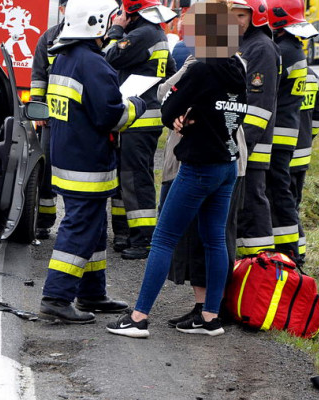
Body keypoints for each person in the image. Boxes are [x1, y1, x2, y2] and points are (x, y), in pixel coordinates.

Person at [106, 0, 247, 338]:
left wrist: (179, 116)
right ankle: (210, 317)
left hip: (198, 165)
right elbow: (231, 109)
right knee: (214, 240)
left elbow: (168, 105)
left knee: (163, 239)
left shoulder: (200, 68)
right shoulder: (237, 66)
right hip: (228, 163)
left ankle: (138, 318)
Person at [38, 0, 145, 324]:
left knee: (95, 230)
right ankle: (56, 297)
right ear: (97, 22)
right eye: (112, 18)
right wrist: (136, 106)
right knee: (80, 228)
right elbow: (110, 117)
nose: (115, 23)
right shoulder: (93, 64)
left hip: (70, 157)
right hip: (87, 164)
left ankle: (92, 293)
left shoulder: (65, 57)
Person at [104, 0, 177, 260]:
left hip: (139, 119)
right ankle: (126, 234)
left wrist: (115, 31)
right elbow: (171, 71)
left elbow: (108, 58)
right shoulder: (156, 33)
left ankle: (143, 239)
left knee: (135, 179)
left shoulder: (141, 34)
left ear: (130, 12)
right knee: (128, 178)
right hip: (142, 117)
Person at [265, 0, 318, 262]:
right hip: (295, 139)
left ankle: (290, 253)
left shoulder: (281, 51)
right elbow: (317, 115)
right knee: (286, 197)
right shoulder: (295, 50)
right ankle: (295, 251)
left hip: (278, 138)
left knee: (279, 196)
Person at [234, 0, 281, 259]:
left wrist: (241, 145)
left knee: (252, 205)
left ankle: (261, 264)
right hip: (237, 142)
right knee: (241, 209)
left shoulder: (261, 47)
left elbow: (259, 106)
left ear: (256, 17)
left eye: (241, 16)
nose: (236, 21)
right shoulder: (240, 44)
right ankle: (244, 265)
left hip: (251, 145)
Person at [29, 0, 67, 240]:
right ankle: (44, 221)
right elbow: (39, 74)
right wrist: (38, 105)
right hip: (51, 119)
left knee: (77, 175)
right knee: (47, 172)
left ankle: (74, 223)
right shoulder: (50, 37)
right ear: (62, 9)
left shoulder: (94, 37)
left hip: (77, 119)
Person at [290, 67, 319, 265]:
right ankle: (299, 251)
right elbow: (318, 116)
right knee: (294, 205)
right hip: (302, 153)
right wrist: (307, 138)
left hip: (282, 155)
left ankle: (294, 253)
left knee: (283, 206)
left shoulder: (283, 71)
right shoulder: (312, 76)